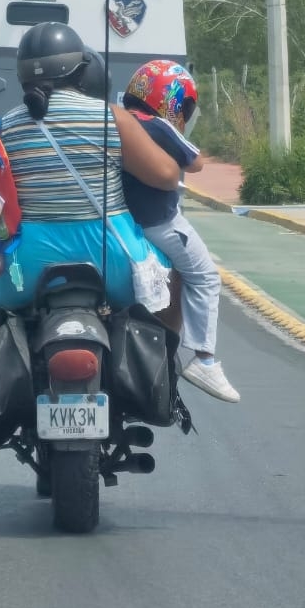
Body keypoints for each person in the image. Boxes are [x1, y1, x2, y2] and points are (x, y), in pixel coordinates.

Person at [0, 21, 183, 338]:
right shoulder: (110, 117)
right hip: (114, 260)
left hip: (23, 269)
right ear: (82, 71)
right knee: (178, 275)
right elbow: (167, 177)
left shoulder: (2, 127)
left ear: (22, 76)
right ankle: (164, 368)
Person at [119, 60, 241, 404]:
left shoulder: (117, 123)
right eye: (184, 106)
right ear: (170, 101)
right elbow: (196, 163)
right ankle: (204, 359)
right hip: (161, 224)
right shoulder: (158, 126)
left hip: (121, 226)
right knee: (204, 276)